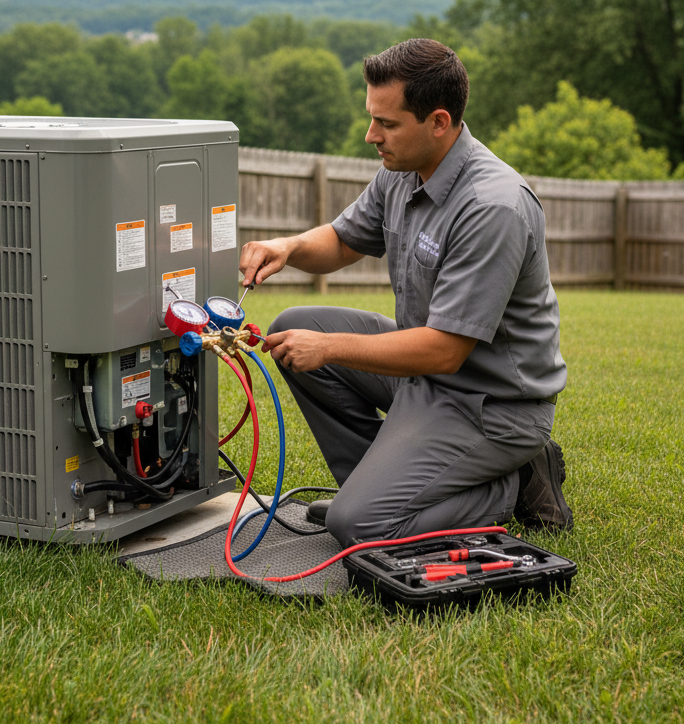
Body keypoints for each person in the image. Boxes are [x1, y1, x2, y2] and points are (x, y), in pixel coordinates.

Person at [239, 38, 572, 548]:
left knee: (356, 526)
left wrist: (327, 347)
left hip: (490, 405)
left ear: (438, 121)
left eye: (386, 123)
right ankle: (379, 488)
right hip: (424, 379)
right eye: (372, 118)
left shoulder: (492, 207)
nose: (372, 135)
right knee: (290, 325)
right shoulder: (404, 171)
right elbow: (344, 241)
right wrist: (288, 247)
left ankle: (511, 484)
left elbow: (444, 350)